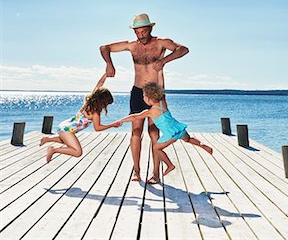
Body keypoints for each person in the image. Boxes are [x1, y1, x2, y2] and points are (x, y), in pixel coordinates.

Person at [100, 13, 189, 183]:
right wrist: (109, 64)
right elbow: (104, 47)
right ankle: (137, 171)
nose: (141, 35)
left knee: (154, 131)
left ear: (150, 29)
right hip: (137, 91)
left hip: (155, 93)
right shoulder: (132, 46)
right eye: (137, 32)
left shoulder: (162, 43)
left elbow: (183, 49)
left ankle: (155, 173)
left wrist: (165, 61)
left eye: (144, 31)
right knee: (136, 131)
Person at [117, 79, 213, 184]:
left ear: (149, 99)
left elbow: (135, 116)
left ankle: (169, 165)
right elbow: (161, 89)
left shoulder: (150, 112)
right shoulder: (163, 104)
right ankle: (204, 146)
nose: (143, 98)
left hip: (170, 134)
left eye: (144, 96)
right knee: (189, 139)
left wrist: (122, 120)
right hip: (178, 128)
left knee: (156, 148)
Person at [40, 73, 121, 163]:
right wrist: (112, 125)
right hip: (67, 130)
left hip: (63, 126)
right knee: (77, 152)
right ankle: (54, 150)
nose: (106, 106)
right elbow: (97, 128)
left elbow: (99, 84)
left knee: (69, 141)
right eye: (107, 103)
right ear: (103, 102)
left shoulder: (88, 102)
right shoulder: (95, 113)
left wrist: (106, 74)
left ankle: (48, 139)